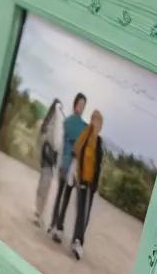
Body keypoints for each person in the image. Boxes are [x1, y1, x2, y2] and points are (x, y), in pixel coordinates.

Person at [49, 92, 86, 242]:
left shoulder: (84, 126)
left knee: (66, 197)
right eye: (80, 104)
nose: (81, 107)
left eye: (83, 105)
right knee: (60, 195)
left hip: (74, 167)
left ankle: (58, 226)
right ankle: (54, 225)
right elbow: (61, 143)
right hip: (65, 163)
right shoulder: (68, 122)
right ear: (75, 104)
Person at [70, 109, 105, 261]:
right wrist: (77, 173)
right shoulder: (85, 135)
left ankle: (77, 240)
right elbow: (77, 150)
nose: (96, 124)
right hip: (82, 180)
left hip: (92, 184)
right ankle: (78, 242)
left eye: (99, 122)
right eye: (95, 120)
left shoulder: (99, 141)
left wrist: (96, 184)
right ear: (91, 121)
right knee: (81, 212)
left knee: (86, 213)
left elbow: (99, 164)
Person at [34, 98, 64, 227]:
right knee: (44, 186)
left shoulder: (52, 122)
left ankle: (39, 212)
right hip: (48, 157)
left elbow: (51, 140)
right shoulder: (53, 122)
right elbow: (54, 141)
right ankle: (39, 213)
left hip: (48, 158)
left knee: (43, 185)